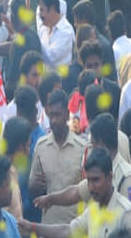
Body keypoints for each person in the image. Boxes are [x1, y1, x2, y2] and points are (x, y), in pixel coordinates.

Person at [29, 89, 88, 227]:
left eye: (58, 115)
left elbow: (88, 190)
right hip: (49, 228)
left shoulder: (82, 148)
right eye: (51, 116)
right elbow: (32, 187)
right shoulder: (41, 146)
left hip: (75, 228)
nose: (54, 120)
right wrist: (34, 186)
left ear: (67, 115)